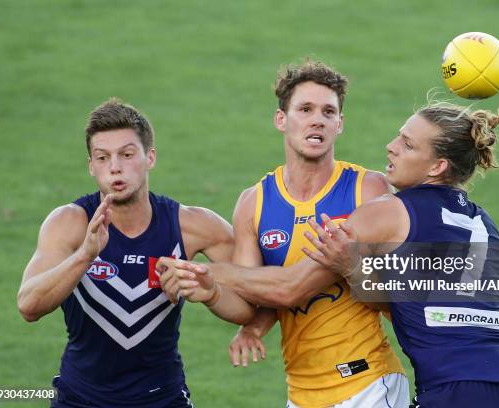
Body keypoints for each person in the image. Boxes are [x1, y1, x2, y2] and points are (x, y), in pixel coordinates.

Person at [158, 60, 409, 407]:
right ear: (281, 120)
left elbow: (397, 300)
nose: (317, 119)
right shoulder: (254, 203)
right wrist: (212, 291)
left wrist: (215, 271)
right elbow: (252, 300)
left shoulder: (368, 191)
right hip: (301, 393)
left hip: (368, 383)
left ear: (340, 124)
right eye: (305, 109)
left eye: (328, 111)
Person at [303, 102, 499, 408]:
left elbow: (291, 289)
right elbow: (409, 305)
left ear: (437, 167)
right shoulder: (485, 224)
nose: (391, 147)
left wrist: (224, 283)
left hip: (454, 394)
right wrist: (354, 269)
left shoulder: (391, 211)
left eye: (407, 144)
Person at [16, 98, 250, 408]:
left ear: (149, 157)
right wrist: (84, 256)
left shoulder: (194, 226)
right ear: (91, 166)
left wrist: (210, 292)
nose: (115, 167)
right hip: (79, 399)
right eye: (102, 157)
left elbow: (251, 306)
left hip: (163, 399)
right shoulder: (69, 224)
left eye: (126, 154)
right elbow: (28, 306)